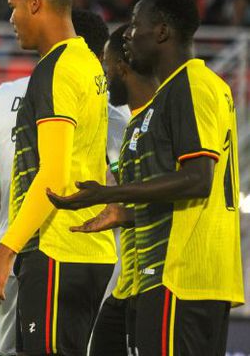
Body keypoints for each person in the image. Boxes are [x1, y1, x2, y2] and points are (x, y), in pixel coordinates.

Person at [50, 0, 244, 356]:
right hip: (178, 272)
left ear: (162, 31)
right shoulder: (182, 89)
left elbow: (198, 180)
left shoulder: (190, 85)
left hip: (183, 271)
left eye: (136, 25)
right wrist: (124, 212)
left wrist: (107, 194)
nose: (128, 34)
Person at [0, 8, 126, 356]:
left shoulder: (1, 97)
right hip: (72, 251)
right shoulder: (106, 106)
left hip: (10, 257)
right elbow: (121, 185)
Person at [87, 23, 160, 356]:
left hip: (155, 280)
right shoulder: (131, 126)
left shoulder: (156, 123)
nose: (103, 76)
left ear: (122, 66)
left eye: (105, 67)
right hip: (128, 281)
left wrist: (111, 201)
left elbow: (182, 191)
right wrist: (120, 211)